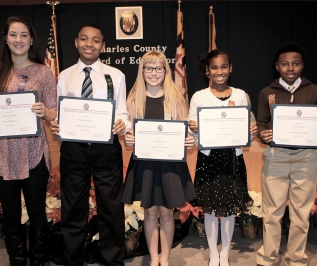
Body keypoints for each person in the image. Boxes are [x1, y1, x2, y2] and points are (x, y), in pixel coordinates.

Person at [0, 16, 57, 266]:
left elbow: (55, 112)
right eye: (13, 34)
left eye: (24, 34)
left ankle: (38, 261)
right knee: (11, 217)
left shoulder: (43, 73)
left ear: (31, 39)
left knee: (37, 215)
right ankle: (18, 261)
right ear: (6, 38)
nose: (19, 40)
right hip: (2, 156)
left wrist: (46, 112)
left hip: (34, 155)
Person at [49, 24, 127, 266]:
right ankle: (73, 260)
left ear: (103, 46)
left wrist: (122, 124)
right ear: (76, 42)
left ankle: (112, 260)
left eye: (95, 40)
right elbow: (61, 114)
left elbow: (122, 111)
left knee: (111, 207)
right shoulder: (64, 76)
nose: (89, 44)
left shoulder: (116, 75)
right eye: (84, 39)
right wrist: (57, 125)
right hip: (74, 149)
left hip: (106, 148)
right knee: (73, 207)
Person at [256, 42, 317, 266]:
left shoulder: (315, 91)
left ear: (302, 66)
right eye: (285, 64)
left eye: (296, 64)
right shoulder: (266, 93)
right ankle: (268, 257)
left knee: (301, 213)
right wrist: (264, 135)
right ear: (277, 66)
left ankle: (296, 258)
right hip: (276, 157)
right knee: (272, 212)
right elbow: (261, 124)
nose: (290, 68)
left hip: (306, 158)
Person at [122, 50, 196, 266]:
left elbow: (185, 133)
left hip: (169, 165)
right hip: (145, 165)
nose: (153, 72)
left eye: (158, 68)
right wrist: (128, 139)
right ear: (142, 70)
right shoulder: (134, 99)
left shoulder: (176, 99)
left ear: (166, 71)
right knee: (150, 212)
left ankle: (165, 257)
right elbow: (129, 132)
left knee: (166, 213)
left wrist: (190, 141)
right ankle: (153, 258)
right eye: (149, 68)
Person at [188, 49, 257, 266]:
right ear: (207, 71)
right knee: (209, 209)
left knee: (228, 209)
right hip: (208, 158)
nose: (220, 72)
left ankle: (225, 253)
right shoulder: (199, 96)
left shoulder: (240, 95)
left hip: (233, 158)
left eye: (224, 67)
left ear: (231, 68)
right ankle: (213, 253)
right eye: (214, 68)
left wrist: (251, 130)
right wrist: (194, 128)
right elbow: (191, 134)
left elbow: (248, 126)